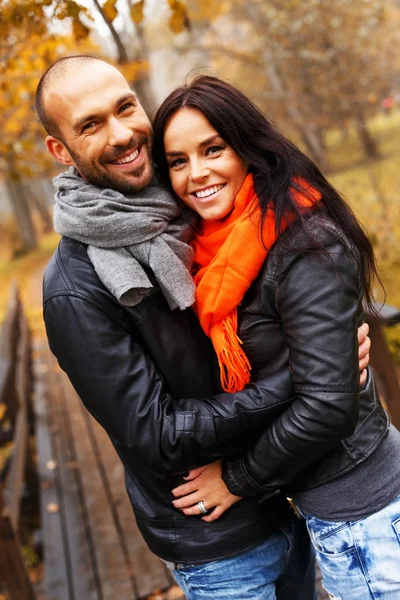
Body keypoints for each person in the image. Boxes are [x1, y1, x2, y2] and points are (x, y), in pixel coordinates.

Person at [35, 56, 370, 600]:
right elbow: (159, 435)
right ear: (60, 149)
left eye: (125, 108)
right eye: (90, 125)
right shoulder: (75, 288)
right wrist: (309, 378)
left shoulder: (191, 213)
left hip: (281, 498)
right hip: (218, 544)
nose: (121, 134)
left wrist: (323, 343)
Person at [151, 75, 400, 600]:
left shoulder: (304, 244)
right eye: (177, 161)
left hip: (364, 517)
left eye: (213, 149)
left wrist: (236, 478)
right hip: (330, 513)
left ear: (247, 147)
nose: (197, 174)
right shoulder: (212, 254)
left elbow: (329, 407)